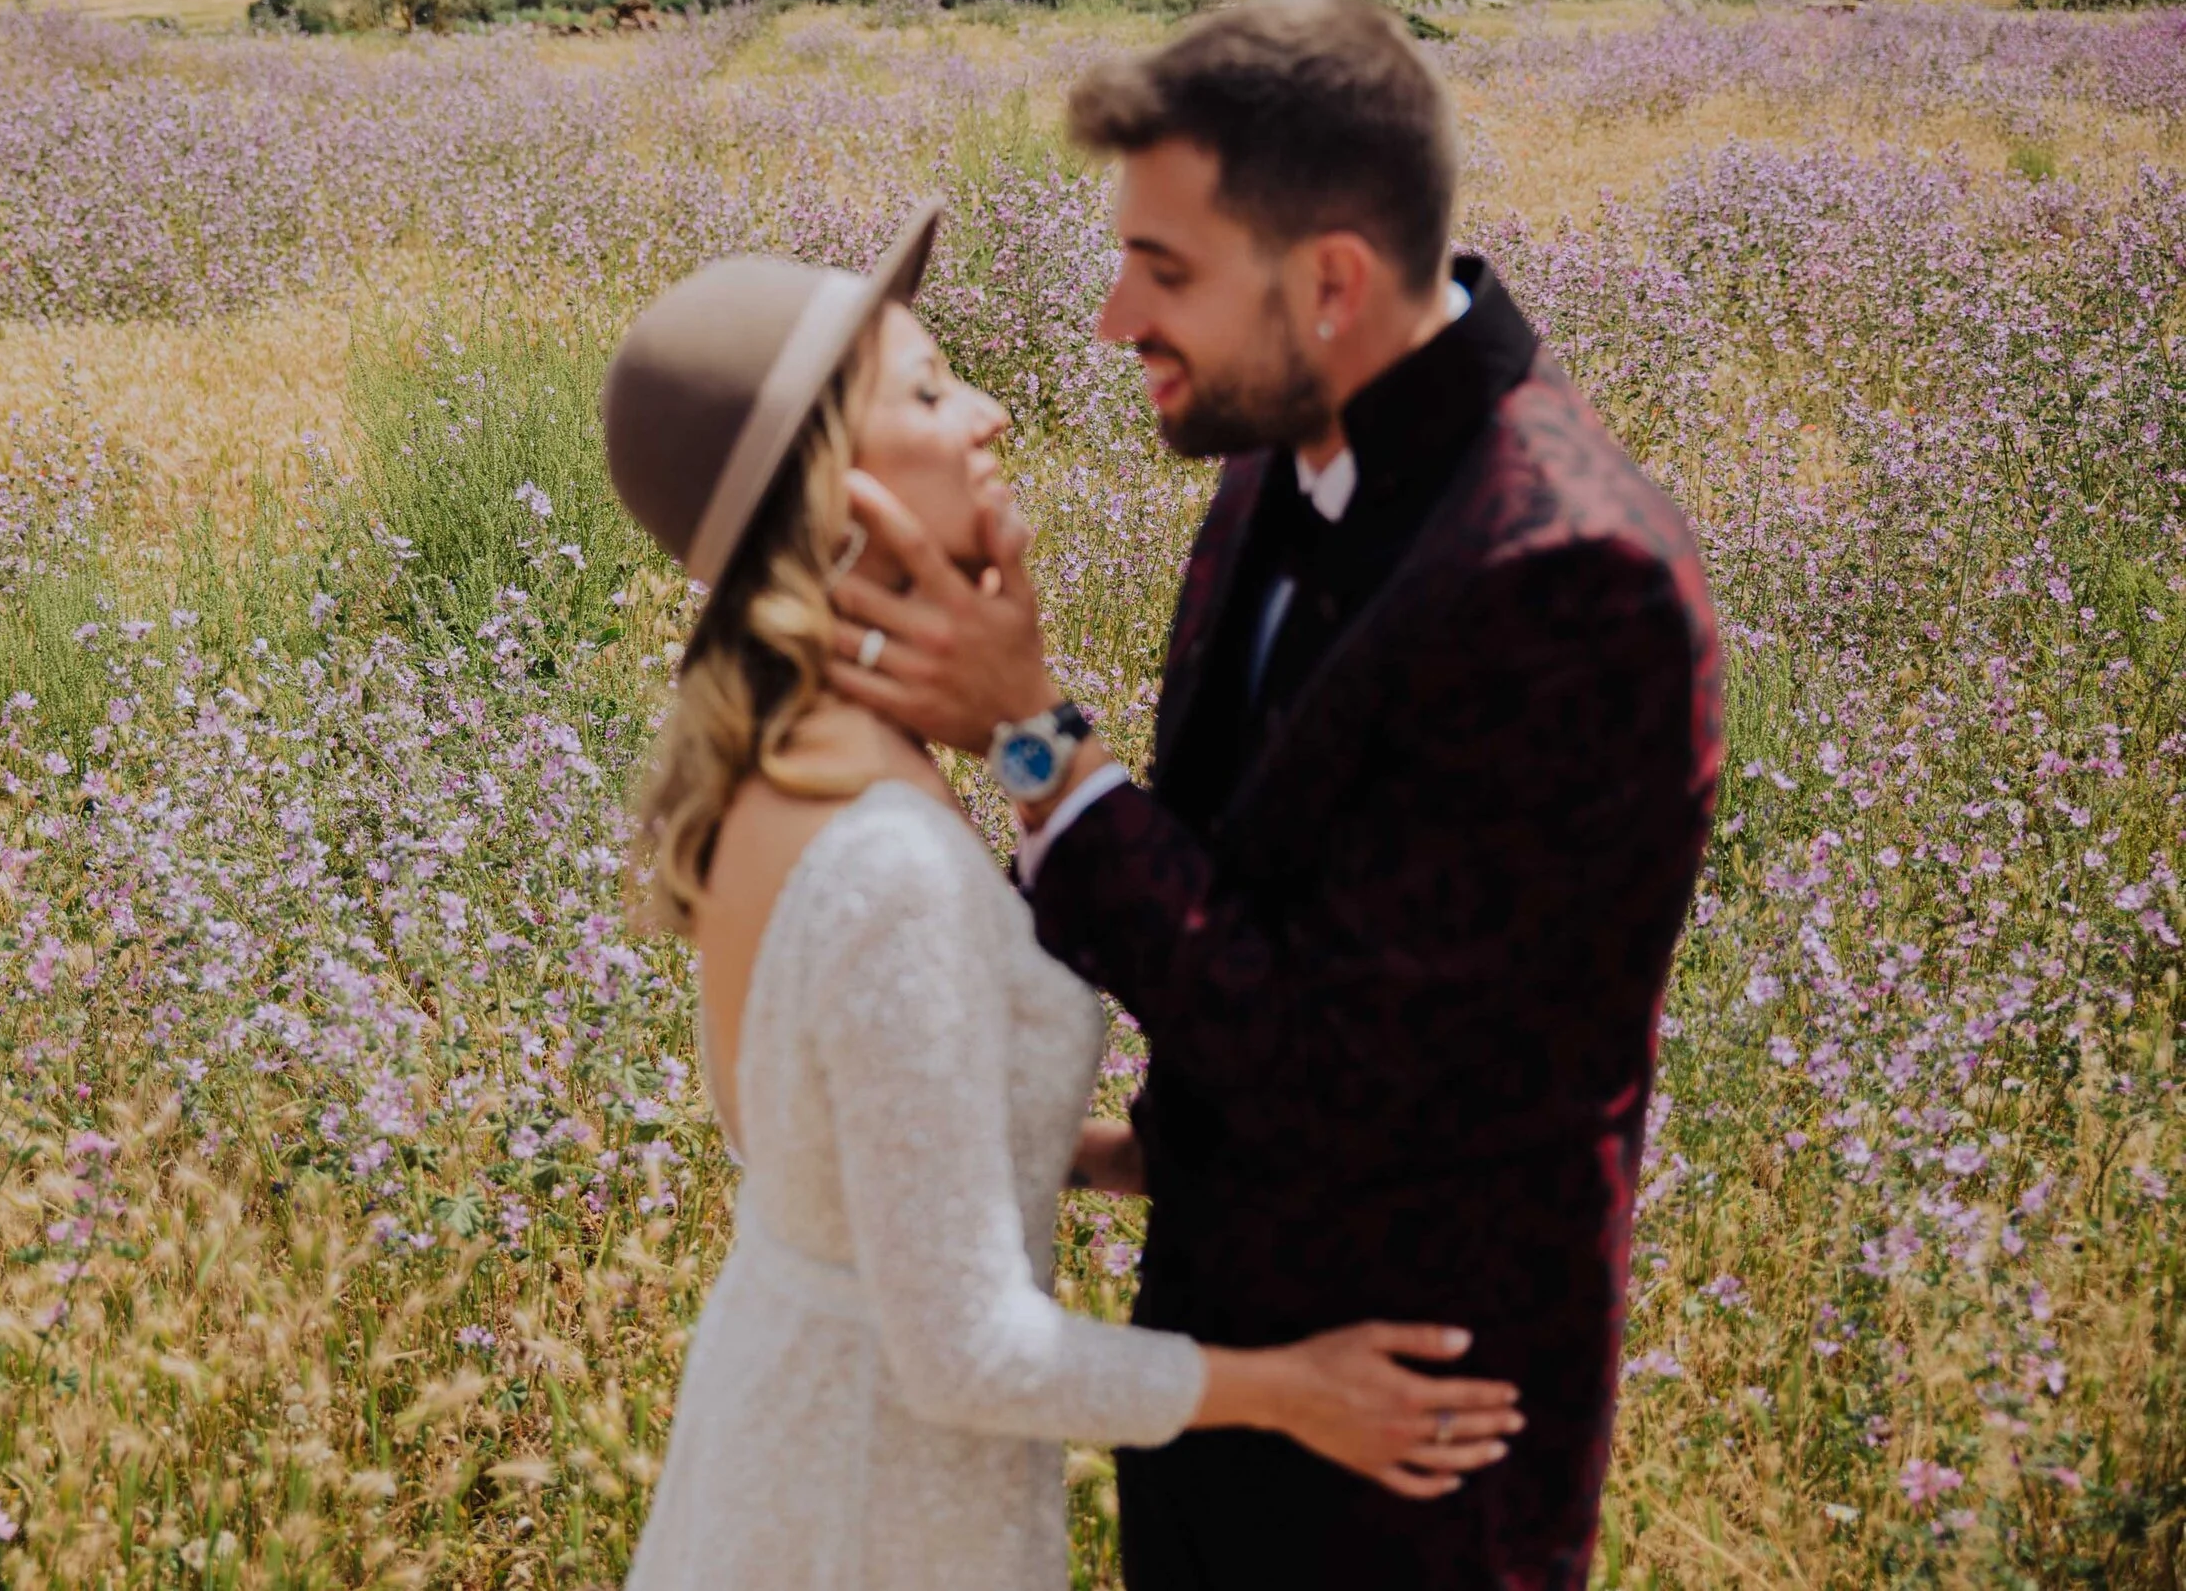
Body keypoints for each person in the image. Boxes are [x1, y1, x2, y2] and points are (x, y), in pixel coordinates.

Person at [824, 0, 1725, 1589]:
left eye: (1162, 271)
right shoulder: (1277, 452)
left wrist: (1035, 742)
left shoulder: (1576, 581)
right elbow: (1264, 908)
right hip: (1219, 1384)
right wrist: (1122, 1147)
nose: (1113, 320)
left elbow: (1354, 1062)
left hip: (1408, 1468)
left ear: (1330, 284)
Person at [602, 199, 1524, 1591]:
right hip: (875, 1508)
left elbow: (825, 1138)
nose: (990, 412)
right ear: (834, 500)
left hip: (791, 1444)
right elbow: (968, 1352)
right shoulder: (889, 858)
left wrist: (1092, 1152)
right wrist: (1297, 1390)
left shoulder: (772, 760)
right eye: (929, 392)